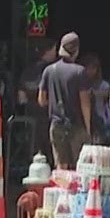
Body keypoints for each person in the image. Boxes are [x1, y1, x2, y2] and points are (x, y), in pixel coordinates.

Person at [38, 32, 93, 170]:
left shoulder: (49, 70)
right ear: (76, 50)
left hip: (56, 124)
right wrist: (88, 127)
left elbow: (41, 100)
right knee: (79, 166)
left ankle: (62, 191)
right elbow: (84, 103)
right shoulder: (79, 72)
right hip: (76, 125)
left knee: (61, 166)